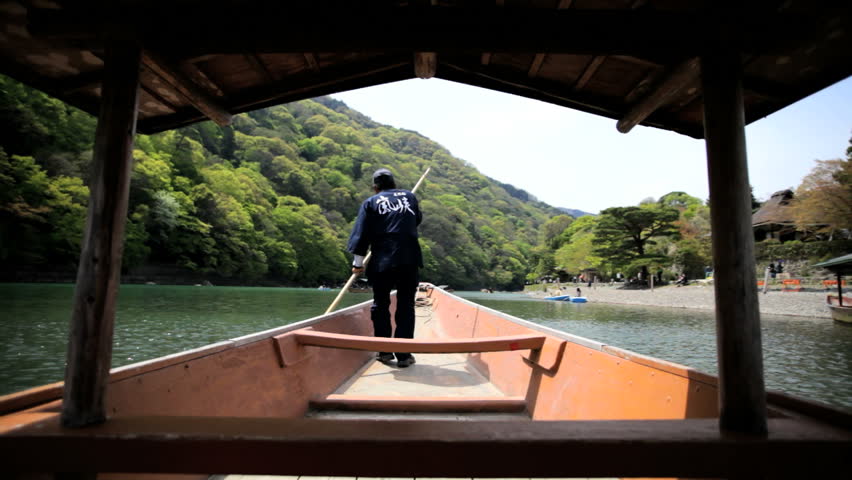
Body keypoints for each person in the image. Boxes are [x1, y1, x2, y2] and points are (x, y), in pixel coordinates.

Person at [348, 168, 423, 368]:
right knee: (406, 306)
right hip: (409, 259)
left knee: (381, 304)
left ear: (375, 187)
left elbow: (361, 234)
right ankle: (404, 355)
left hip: (383, 260)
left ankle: (384, 351)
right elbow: (416, 221)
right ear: (393, 184)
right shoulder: (409, 197)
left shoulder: (371, 202)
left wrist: (357, 265)